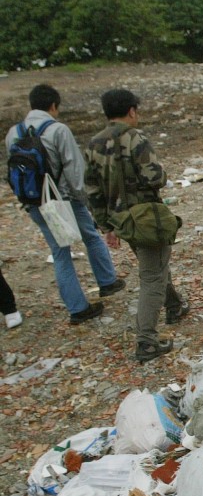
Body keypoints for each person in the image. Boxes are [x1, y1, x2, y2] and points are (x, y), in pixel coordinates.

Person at [5, 84, 124, 323]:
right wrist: (88, 203)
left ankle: (77, 307)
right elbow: (74, 171)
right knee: (90, 235)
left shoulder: (12, 133)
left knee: (60, 253)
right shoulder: (57, 130)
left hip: (35, 202)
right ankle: (107, 281)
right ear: (53, 106)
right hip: (63, 200)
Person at [84, 89, 188, 363]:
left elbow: (92, 190)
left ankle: (175, 305)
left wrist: (106, 226)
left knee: (154, 264)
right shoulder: (135, 138)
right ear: (131, 110)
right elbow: (155, 177)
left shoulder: (93, 144)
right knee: (152, 274)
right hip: (144, 217)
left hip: (120, 220)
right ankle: (146, 342)